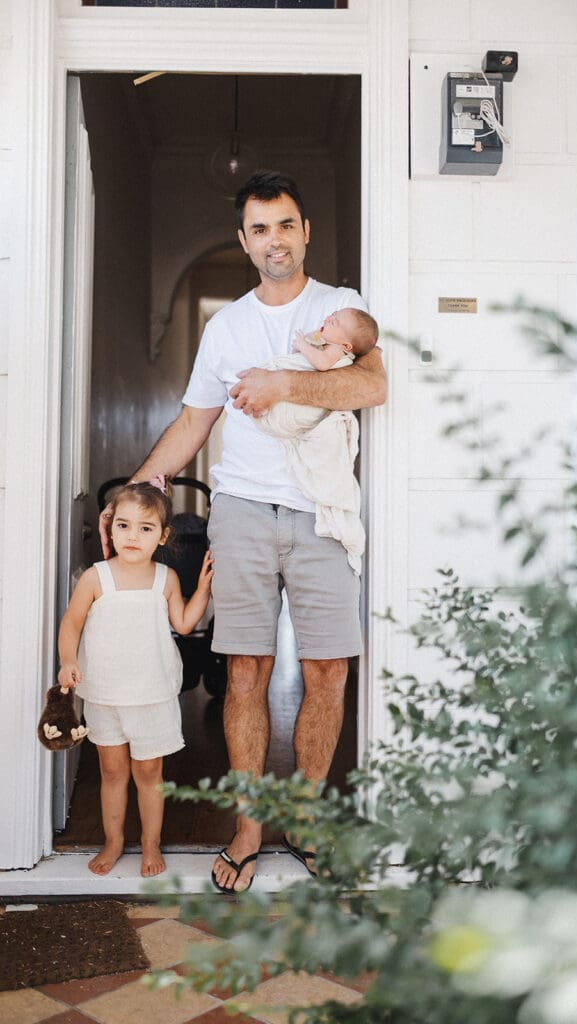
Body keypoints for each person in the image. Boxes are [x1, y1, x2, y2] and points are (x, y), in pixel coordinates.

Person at [100, 170, 386, 894]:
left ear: (304, 232)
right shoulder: (225, 326)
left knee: (327, 671)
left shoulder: (339, 309)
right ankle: (251, 825)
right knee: (247, 671)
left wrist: (283, 383)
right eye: (260, 229)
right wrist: (135, 491)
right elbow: (196, 421)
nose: (274, 240)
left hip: (322, 514)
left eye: (285, 225)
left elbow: (370, 386)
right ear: (244, 240)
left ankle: (310, 818)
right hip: (243, 510)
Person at [60, 481, 214, 877]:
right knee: (112, 774)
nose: (133, 536)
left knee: (149, 775)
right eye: (124, 526)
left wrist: (204, 587)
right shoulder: (96, 578)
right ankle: (113, 841)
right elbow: (72, 623)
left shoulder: (166, 579)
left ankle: (149, 844)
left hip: (153, 697)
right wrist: (66, 661)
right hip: (105, 695)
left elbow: (182, 623)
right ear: (109, 529)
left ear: (162, 536)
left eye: (145, 528)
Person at [255, 307, 379, 574]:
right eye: (330, 316)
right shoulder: (329, 344)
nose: (328, 319)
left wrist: (303, 344)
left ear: (347, 345)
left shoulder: (337, 352)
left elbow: (321, 365)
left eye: (334, 322)